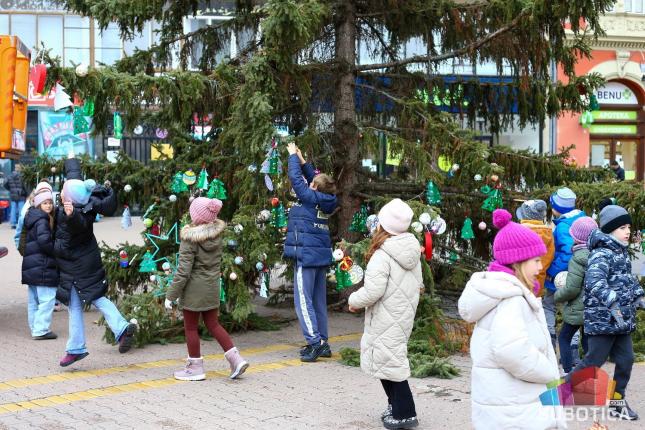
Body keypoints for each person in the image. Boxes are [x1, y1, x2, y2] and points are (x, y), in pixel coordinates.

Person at [458, 209, 566, 430]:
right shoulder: (512, 299)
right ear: (518, 261)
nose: (540, 267)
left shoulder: (500, 293)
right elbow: (511, 350)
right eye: (536, 260)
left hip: (505, 406)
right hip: (518, 412)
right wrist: (548, 371)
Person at [55, 158, 136, 367]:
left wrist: (69, 216)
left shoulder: (73, 212)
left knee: (75, 304)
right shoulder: (84, 201)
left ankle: (76, 348)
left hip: (76, 266)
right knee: (97, 297)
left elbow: (76, 227)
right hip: (85, 261)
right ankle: (120, 328)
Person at [348, 199, 422, 430]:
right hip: (402, 314)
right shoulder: (411, 250)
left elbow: (373, 291)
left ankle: (405, 414)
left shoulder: (383, 255)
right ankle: (395, 406)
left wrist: (353, 301)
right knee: (387, 361)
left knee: (391, 363)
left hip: (386, 315)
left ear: (382, 225)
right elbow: (418, 284)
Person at [567, 205, 644, 420]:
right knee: (592, 362)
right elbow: (594, 283)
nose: (627, 231)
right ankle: (560, 392)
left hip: (622, 321)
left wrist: (639, 297)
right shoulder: (601, 254)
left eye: (629, 226)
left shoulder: (621, 253)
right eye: (622, 227)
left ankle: (617, 403)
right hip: (603, 320)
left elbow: (629, 282)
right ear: (610, 230)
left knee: (627, 360)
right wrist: (612, 301)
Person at [165, 197, 249, 381]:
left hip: (195, 290)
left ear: (196, 216)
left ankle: (195, 368)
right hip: (212, 287)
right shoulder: (216, 235)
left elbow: (183, 271)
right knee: (213, 324)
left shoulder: (190, 238)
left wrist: (171, 295)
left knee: (191, 328)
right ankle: (236, 359)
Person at [283, 142, 337, 362]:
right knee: (317, 301)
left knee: (303, 301)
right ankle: (322, 342)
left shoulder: (309, 196)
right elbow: (315, 177)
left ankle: (314, 343)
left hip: (306, 256)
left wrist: (292, 157)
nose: (309, 183)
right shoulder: (327, 199)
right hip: (320, 256)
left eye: (311, 183)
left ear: (313, 187)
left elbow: (297, 180)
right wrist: (304, 161)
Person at [554, 216, 597, 375]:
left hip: (578, 308)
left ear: (575, 237)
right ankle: (590, 374)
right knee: (587, 341)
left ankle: (567, 372)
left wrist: (558, 296)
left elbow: (572, 289)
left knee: (564, 338)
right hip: (594, 308)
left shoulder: (577, 258)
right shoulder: (597, 255)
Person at [544, 187, 585, 348]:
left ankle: (550, 339)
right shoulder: (580, 218)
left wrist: (552, 271)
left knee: (548, 304)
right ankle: (573, 348)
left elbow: (568, 252)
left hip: (562, 276)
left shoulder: (563, 226)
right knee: (572, 309)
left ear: (556, 208)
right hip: (578, 274)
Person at [21, 182, 59, 340]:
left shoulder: (31, 217)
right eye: (45, 203)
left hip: (31, 266)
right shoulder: (43, 221)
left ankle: (34, 327)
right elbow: (44, 242)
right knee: (47, 299)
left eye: (50, 202)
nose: (48, 205)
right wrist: (56, 251)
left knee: (34, 300)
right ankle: (41, 329)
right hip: (43, 266)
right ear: (38, 204)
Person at [516, 199, 555, 296]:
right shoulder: (549, 234)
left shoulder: (519, 232)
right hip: (539, 281)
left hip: (520, 280)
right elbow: (549, 257)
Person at [4, 164, 29, 229]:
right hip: (21, 194)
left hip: (13, 194)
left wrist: (10, 189)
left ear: (15, 168)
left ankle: (13, 223)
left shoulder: (10, 176)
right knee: (21, 209)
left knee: (13, 209)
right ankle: (21, 223)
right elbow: (24, 186)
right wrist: (26, 194)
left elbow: (5, 184)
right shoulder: (22, 176)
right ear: (20, 168)